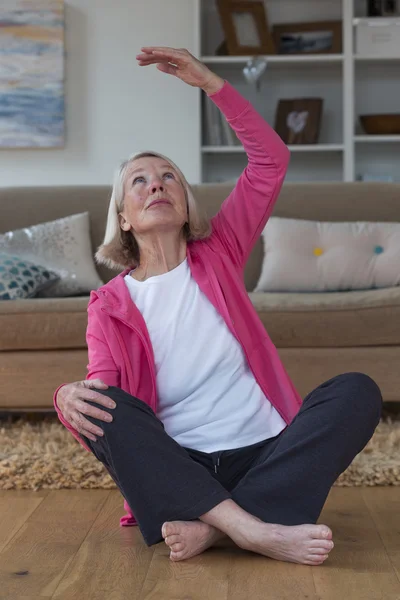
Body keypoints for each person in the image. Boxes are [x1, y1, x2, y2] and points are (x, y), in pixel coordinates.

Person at [54, 47, 382, 566]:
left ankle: (219, 528)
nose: (156, 183)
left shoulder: (220, 252)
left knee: (357, 392)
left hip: (265, 452)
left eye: (168, 177)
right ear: (122, 218)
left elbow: (271, 160)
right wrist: (66, 399)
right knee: (101, 408)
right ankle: (257, 527)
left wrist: (212, 83)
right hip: (180, 464)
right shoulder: (108, 303)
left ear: (185, 203)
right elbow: (104, 390)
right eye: (139, 180)